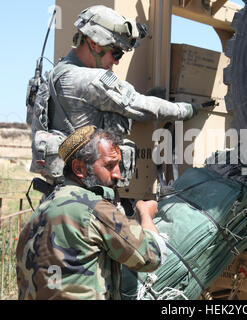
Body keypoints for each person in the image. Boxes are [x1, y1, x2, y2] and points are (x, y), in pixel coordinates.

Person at [30, 4, 201, 187]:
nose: (117, 62)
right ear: (94, 43)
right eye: (116, 52)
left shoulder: (56, 74)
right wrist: (185, 110)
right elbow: (138, 105)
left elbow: (92, 117)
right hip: (87, 189)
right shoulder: (92, 79)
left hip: (61, 185)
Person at [16, 125, 169, 300]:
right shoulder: (93, 208)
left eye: (118, 165)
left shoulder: (39, 212)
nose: (118, 174)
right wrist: (146, 215)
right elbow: (151, 256)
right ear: (79, 169)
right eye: (110, 165)